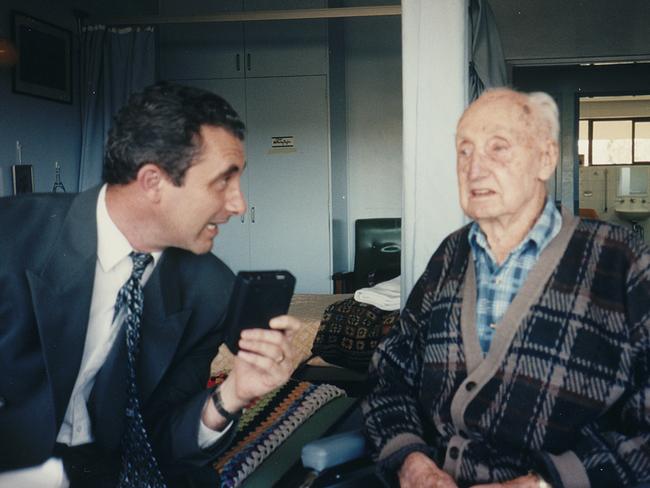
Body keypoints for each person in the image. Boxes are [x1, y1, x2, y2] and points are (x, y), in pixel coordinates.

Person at [0, 82, 301, 487]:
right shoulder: (11, 238)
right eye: (222, 182)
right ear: (153, 181)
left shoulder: (211, 289)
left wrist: (232, 395)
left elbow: (159, 435)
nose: (238, 204)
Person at [362, 88, 650, 488]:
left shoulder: (623, 260)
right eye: (464, 151)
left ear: (546, 159)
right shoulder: (449, 256)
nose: (475, 168)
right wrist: (412, 461)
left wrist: (541, 484)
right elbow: (389, 376)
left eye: (498, 148)